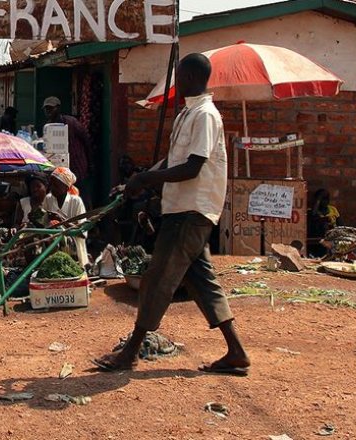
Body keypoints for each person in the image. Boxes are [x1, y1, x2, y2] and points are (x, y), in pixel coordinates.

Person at [92, 53, 250, 376]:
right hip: (182, 208)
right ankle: (236, 351)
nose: (177, 83)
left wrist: (148, 180)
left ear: (191, 78)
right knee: (201, 280)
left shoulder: (206, 115)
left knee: (157, 277)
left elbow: (193, 167)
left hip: (192, 210)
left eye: (179, 77)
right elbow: (170, 161)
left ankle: (130, 351)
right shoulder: (186, 115)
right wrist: (137, 181)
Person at [43, 96, 93, 201]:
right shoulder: (48, 127)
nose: (48, 111)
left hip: (77, 166)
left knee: (81, 196)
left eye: (51, 108)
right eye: (46, 109)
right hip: (61, 168)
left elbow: (86, 140)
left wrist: (90, 162)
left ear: (58, 108)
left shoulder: (71, 122)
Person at [49, 167, 89, 267]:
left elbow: (82, 232)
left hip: (73, 248)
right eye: (51, 184)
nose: (52, 188)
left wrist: (63, 222)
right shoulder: (48, 199)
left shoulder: (76, 202)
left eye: (56, 185)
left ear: (66, 187)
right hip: (53, 247)